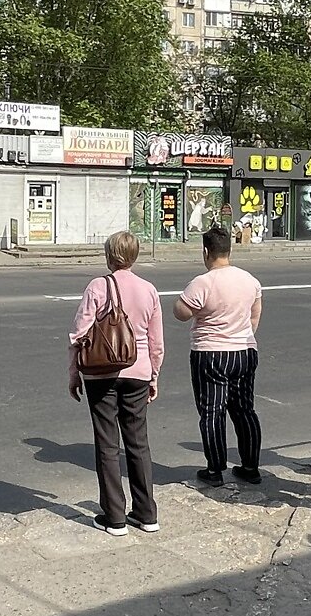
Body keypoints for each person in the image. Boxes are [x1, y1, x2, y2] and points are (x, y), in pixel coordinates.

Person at [68, 231, 165, 536]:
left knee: (107, 445)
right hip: (137, 372)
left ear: (109, 255)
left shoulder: (98, 286)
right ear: (135, 256)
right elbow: (156, 342)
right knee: (138, 444)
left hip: (101, 374)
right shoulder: (149, 290)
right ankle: (147, 514)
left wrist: (74, 373)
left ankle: (115, 518)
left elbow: (79, 335)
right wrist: (153, 375)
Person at [173, 225, 264, 486]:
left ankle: (215, 469)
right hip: (244, 351)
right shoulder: (250, 280)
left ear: (205, 251)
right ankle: (250, 466)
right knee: (245, 410)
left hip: (211, 353)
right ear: (229, 250)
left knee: (213, 411)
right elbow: (254, 315)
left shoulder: (203, 282)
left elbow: (181, 313)